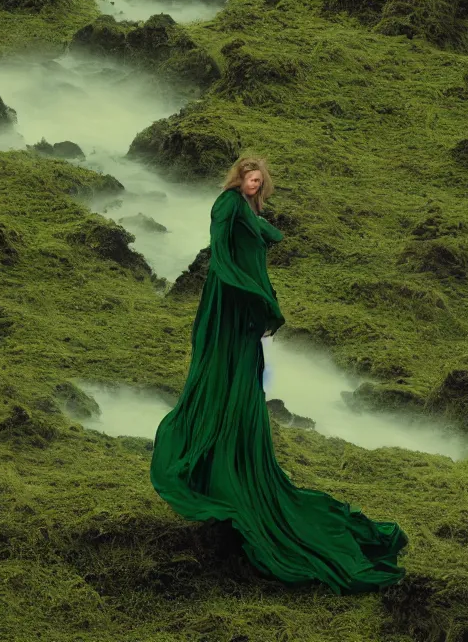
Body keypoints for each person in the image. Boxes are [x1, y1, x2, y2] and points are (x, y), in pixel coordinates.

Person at [150, 155, 408, 594]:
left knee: (245, 377)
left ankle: (231, 449)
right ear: (239, 179)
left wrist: (264, 291)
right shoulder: (228, 204)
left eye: (258, 182)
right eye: (249, 180)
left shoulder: (252, 209)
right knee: (222, 372)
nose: (253, 186)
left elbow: (260, 250)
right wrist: (253, 294)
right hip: (228, 302)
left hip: (244, 306)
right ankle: (209, 452)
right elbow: (222, 253)